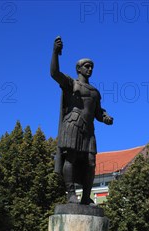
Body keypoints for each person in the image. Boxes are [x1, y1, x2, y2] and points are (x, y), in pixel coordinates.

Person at [50, 36, 113, 204]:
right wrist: (55, 53)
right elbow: (54, 73)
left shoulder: (95, 92)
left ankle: (86, 196)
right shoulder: (71, 83)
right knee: (71, 157)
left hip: (89, 129)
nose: (90, 69)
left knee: (90, 162)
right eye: (86, 66)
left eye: (91, 66)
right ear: (78, 68)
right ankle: (71, 193)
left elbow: (98, 112)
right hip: (73, 124)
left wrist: (105, 117)